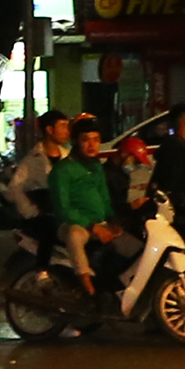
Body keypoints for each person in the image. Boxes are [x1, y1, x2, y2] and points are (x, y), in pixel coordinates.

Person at [52, 121, 123, 288]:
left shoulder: (97, 167)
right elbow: (63, 208)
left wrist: (113, 221)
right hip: (77, 225)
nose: (92, 145)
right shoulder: (62, 170)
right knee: (74, 235)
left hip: (99, 223)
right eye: (86, 140)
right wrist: (93, 227)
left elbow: (104, 198)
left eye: (96, 140)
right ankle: (85, 279)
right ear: (76, 142)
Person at [151, 104, 185, 251]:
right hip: (174, 214)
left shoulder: (173, 145)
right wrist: (181, 205)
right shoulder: (176, 147)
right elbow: (173, 183)